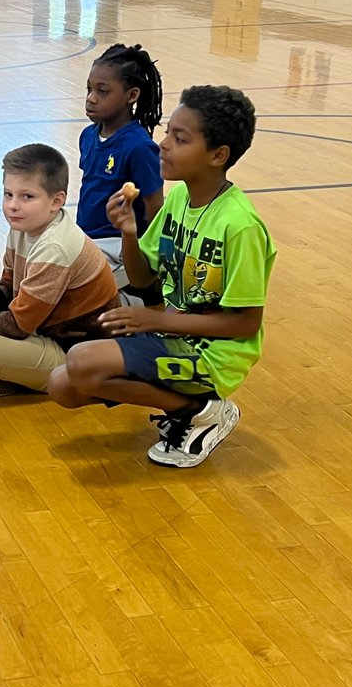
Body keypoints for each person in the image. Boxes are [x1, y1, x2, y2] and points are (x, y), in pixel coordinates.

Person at [48, 86, 276, 468]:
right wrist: (128, 232)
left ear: (218, 156)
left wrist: (156, 319)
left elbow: (246, 322)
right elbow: (142, 278)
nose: (163, 144)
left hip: (216, 355)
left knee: (83, 362)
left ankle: (202, 410)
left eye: (180, 138)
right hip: (174, 334)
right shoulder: (178, 201)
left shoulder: (240, 226)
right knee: (62, 385)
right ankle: (187, 406)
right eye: (168, 132)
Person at [0, 143, 119, 403]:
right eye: (8, 194)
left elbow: (18, 326)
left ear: (57, 201)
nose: (13, 206)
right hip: (44, 327)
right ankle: (0, 374)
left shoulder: (55, 247)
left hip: (74, 355)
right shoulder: (24, 226)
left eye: (27, 196)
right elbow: (7, 285)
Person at [77, 43, 165, 303]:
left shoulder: (139, 147)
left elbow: (156, 211)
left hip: (119, 246)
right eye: (89, 89)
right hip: (86, 239)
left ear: (132, 95)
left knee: (69, 292)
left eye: (102, 91)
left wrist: (149, 265)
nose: (91, 98)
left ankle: (138, 298)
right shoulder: (87, 136)